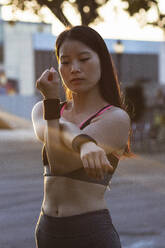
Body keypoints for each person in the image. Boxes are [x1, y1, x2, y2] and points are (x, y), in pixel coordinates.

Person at [32, 25, 131, 248]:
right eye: (65, 62)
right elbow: (55, 134)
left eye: (84, 59)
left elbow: (59, 163)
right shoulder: (42, 110)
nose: (74, 68)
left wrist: (52, 105)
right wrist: (83, 142)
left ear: (102, 62)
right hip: (47, 229)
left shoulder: (115, 118)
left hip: (89, 232)